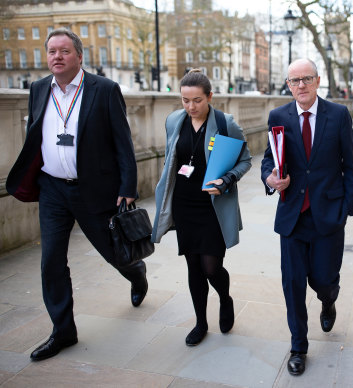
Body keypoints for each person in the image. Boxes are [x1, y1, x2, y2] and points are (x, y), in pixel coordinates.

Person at [6, 28, 147, 361]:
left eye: (64, 51)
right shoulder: (39, 89)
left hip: (93, 190)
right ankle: (63, 331)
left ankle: (135, 272)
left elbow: (122, 142)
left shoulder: (105, 89)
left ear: (79, 56)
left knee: (114, 252)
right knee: (51, 261)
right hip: (52, 188)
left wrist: (127, 188)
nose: (57, 56)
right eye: (52, 51)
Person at [261, 58, 353, 376]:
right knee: (292, 284)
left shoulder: (338, 115)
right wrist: (271, 179)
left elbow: (350, 168)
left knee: (324, 279)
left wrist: (345, 211)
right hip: (292, 216)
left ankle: (328, 299)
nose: (300, 85)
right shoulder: (278, 116)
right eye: (294, 80)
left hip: (328, 216)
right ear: (288, 85)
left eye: (306, 79)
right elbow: (268, 161)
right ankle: (298, 347)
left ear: (317, 81)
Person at [151, 69, 251, 347]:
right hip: (184, 203)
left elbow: (245, 160)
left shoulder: (224, 122)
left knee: (211, 266)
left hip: (212, 205)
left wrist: (227, 179)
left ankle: (225, 298)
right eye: (185, 100)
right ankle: (200, 323)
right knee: (193, 265)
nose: (191, 107)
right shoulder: (174, 120)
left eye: (197, 100)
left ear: (209, 96)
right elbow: (172, 158)